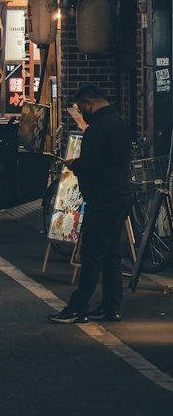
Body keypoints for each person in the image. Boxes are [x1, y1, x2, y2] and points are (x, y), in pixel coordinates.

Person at [48, 85, 133, 324]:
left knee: (92, 254)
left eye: (79, 107)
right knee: (112, 254)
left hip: (103, 199)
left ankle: (78, 307)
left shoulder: (97, 128)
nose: (80, 112)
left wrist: (74, 164)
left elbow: (91, 165)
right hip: (120, 196)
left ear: (88, 103)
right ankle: (110, 306)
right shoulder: (121, 123)